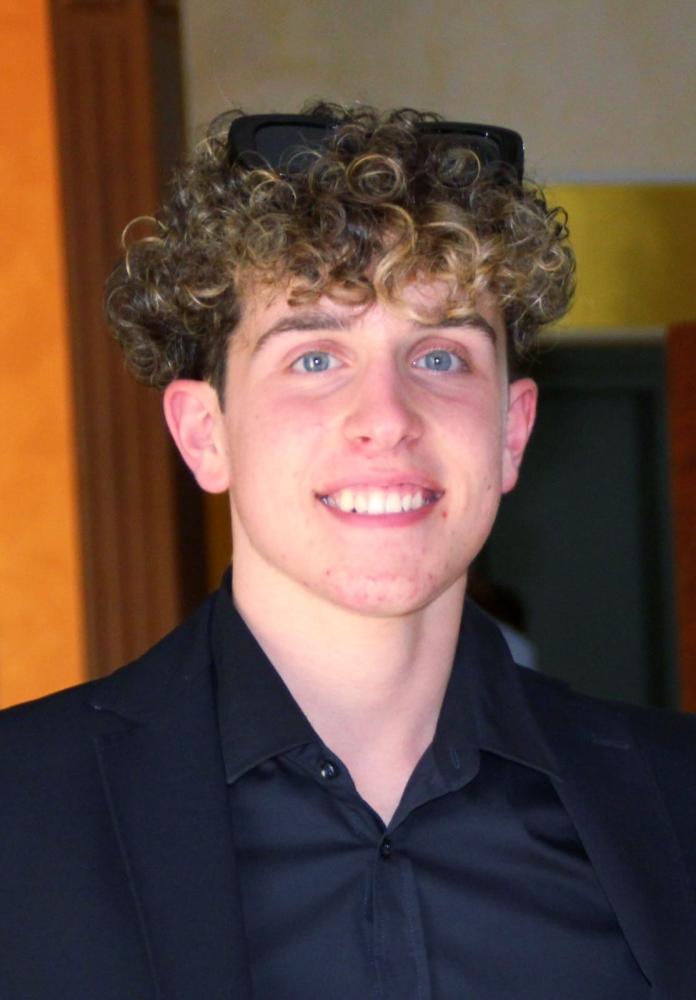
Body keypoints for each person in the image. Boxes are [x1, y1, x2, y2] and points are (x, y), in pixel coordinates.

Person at [2, 104, 695, 1000]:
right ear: (205, 434)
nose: (386, 419)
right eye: (315, 358)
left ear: (511, 432)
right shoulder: (22, 808)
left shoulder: (676, 804)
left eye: (440, 356)